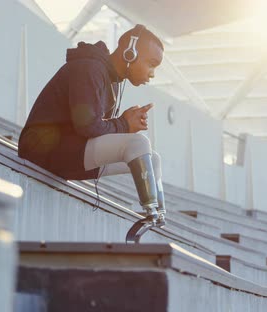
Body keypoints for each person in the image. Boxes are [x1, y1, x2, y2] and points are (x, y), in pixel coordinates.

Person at [18, 24, 167, 227]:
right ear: (129, 53)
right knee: (139, 143)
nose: (152, 74)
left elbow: (91, 129)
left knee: (152, 158)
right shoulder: (89, 69)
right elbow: (87, 127)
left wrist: (123, 124)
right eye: (151, 64)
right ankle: (150, 212)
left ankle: (160, 217)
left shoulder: (110, 80)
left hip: (66, 152)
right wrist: (123, 124)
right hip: (43, 150)